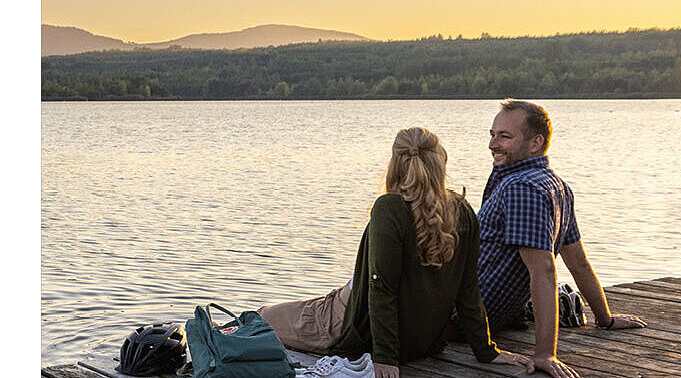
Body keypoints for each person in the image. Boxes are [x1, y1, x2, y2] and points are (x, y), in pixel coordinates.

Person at [258, 127, 531, 378]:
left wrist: (385, 357)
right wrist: (486, 351)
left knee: (261, 317)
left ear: (396, 164)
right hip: (409, 332)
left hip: (350, 320)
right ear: (440, 162)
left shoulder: (390, 207)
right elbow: (468, 290)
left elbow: (382, 289)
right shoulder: (462, 210)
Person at [478, 99, 647, 378]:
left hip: (463, 319)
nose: (493, 144)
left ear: (535, 143)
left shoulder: (521, 188)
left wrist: (545, 353)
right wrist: (605, 318)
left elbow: (544, 270)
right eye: (492, 135)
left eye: (505, 136)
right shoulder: (556, 185)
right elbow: (577, 260)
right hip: (490, 314)